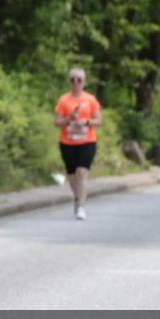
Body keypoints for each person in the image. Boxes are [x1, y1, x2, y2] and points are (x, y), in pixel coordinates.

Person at [53, 67, 102, 220]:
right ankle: (77, 197)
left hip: (87, 141)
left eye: (79, 80)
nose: (76, 83)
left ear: (84, 82)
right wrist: (70, 119)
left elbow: (99, 121)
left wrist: (86, 121)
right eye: (72, 80)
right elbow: (57, 122)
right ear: (69, 82)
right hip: (67, 141)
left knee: (82, 172)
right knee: (72, 176)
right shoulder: (64, 100)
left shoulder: (91, 99)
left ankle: (81, 206)